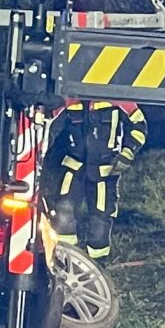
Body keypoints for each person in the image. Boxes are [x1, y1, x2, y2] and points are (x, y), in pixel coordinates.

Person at [54, 97, 147, 262]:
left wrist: (127, 154)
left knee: (100, 216)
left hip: (105, 169)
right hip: (75, 166)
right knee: (64, 210)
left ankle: (98, 263)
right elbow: (50, 127)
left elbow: (139, 125)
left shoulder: (117, 97)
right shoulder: (70, 99)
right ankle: (64, 259)